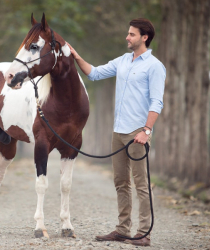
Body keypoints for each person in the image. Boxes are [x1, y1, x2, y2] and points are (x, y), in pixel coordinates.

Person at [67, 18, 166, 247]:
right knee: (121, 182)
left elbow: (156, 102)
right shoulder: (122, 61)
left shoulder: (154, 66)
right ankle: (122, 230)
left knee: (141, 185)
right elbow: (94, 73)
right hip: (118, 132)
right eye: (127, 33)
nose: (127, 37)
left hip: (137, 133)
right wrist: (76, 56)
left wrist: (146, 130)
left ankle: (143, 234)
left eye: (131, 34)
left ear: (144, 38)